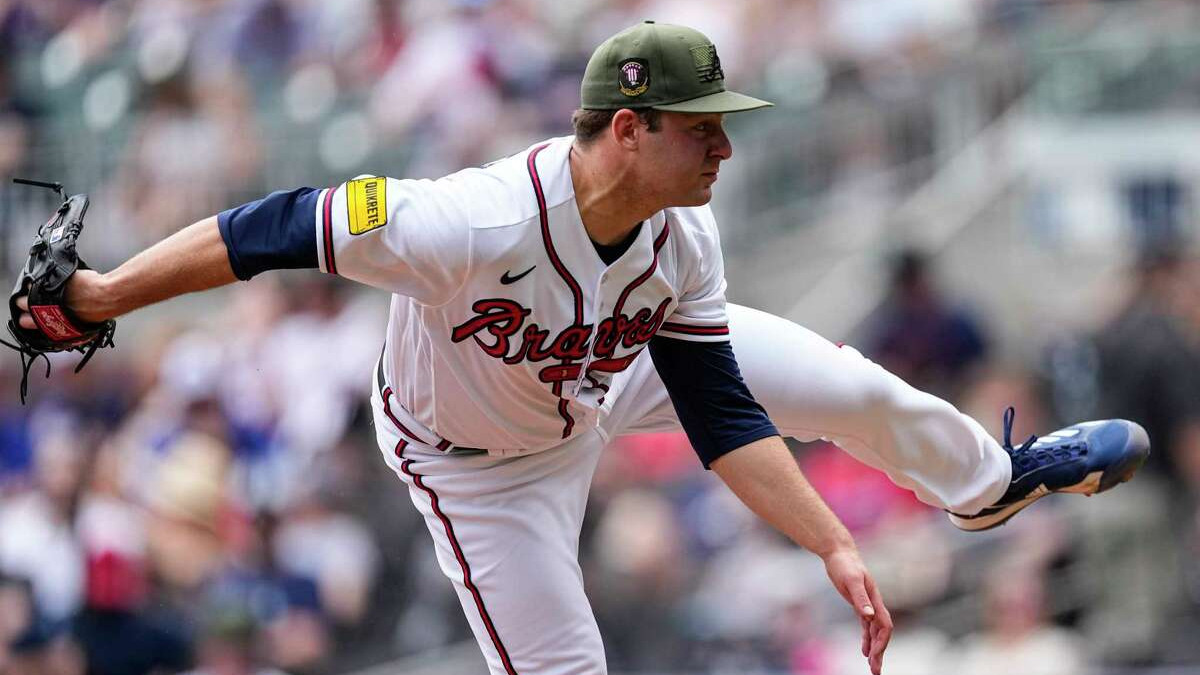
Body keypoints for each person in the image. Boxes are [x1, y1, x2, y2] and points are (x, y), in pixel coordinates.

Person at [12, 21, 1149, 675]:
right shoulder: (468, 220)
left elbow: (723, 414)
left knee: (848, 382)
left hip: (618, 365)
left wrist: (831, 544)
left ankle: (988, 485)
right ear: (626, 127)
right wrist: (106, 288)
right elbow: (268, 229)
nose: (724, 150)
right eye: (703, 129)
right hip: (478, 464)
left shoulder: (680, 235)